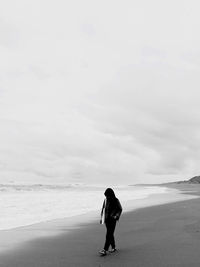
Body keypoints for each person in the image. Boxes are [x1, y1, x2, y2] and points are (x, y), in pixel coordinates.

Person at [99, 188, 122, 256]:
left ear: (111, 195)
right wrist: (101, 218)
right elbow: (103, 209)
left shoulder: (116, 200)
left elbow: (120, 209)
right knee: (110, 234)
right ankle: (113, 247)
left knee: (108, 234)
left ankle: (105, 249)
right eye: (106, 196)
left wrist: (116, 216)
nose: (107, 197)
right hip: (106, 220)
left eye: (107, 196)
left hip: (112, 220)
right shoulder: (106, 200)